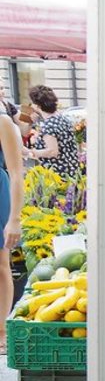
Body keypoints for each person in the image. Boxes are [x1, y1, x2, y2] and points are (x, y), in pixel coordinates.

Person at [23, 85, 81, 179]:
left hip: (58, 175)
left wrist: (32, 152)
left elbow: (52, 151)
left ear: (37, 106)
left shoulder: (49, 125)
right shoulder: (62, 119)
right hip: (71, 170)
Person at [0, 106, 22, 354]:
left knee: (1, 265)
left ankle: (2, 331)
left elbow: (17, 173)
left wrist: (14, 218)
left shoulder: (2, 122)